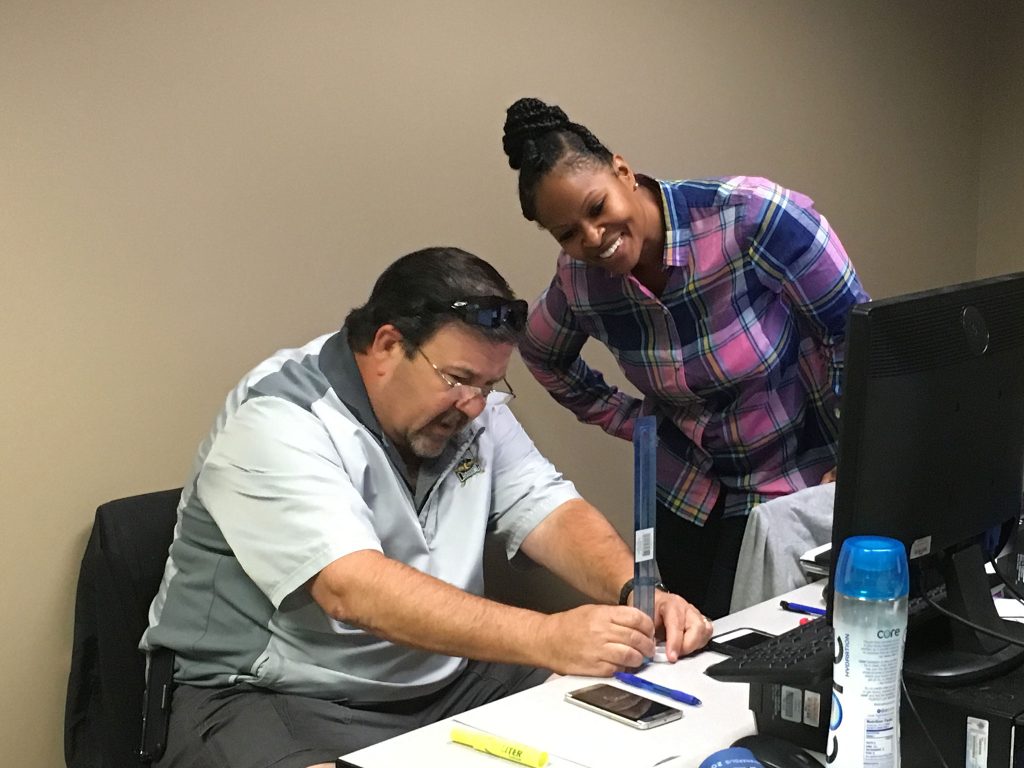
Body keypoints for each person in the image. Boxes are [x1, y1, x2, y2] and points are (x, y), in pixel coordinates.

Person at [141, 246, 712, 768]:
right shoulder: (277, 417)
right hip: (273, 693)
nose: (474, 405)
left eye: (489, 385)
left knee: (624, 733)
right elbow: (351, 589)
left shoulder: (470, 407)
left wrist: (636, 590)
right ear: (388, 346)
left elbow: (547, 507)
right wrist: (548, 637)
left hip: (442, 677)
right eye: (458, 379)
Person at [501, 98, 870, 618]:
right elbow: (540, 352)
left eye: (597, 208)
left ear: (623, 172)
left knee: (786, 641)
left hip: (792, 476)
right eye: (567, 233)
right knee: (691, 641)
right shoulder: (580, 281)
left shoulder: (751, 215)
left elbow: (853, 330)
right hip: (687, 494)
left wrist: (856, 447)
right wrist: (636, 424)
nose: (592, 238)